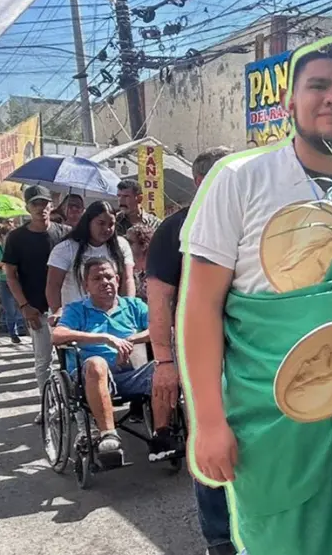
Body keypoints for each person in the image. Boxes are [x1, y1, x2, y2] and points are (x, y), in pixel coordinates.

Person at [179, 38, 332, 555]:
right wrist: (208, 421)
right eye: (317, 86)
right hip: (271, 423)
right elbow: (200, 306)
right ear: (289, 104)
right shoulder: (239, 180)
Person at [147, 145, 234, 555]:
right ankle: (219, 539)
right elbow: (159, 299)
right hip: (199, 354)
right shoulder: (175, 229)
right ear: (201, 181)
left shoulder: (244, 219)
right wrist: (164, 360)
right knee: (207, 437)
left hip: (250, 353)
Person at [51, 256, 179, 464]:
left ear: (118, 280)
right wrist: (105, 338)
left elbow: (161, 326)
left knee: (163, 367)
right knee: (96, 363)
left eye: (109, 277)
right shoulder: (76, 309)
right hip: (91, 379)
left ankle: (161, 434)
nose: (104, 282)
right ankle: (109, 436)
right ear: (86, 285)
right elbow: (58, 335)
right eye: (97, 278)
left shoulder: (134, 305)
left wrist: (130, 340)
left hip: (131, 370)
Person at [3, 185, 71, 424]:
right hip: (36, 310)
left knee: (70, 359)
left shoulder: (65, 233)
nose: (41, 208)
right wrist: (23, 306)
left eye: (44, 203)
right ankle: (48, 406)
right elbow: (11, 275)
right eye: (35, 204)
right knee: (43, 361)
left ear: (51, 206)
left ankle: (73, 404)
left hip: (67, 310)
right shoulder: (16, 238)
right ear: (27, 207)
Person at [47, 200, 135, 323]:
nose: (107, 228)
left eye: (111, 224)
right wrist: (57, 312)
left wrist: (129, 308)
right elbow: (53, 285)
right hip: (74, 319)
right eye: (101, 223)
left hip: (111, 318)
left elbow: (128, 279)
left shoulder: (121, 245)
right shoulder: (66, 248)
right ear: (88, 222)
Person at [0, 224, 24, 344]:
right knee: (9, 308)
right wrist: (2, 262)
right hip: (4, 281)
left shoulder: (19, 248)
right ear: (1, 236)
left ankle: (21, 326)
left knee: (21, 305)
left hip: (19, 279)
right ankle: (13, 332)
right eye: (7, 235)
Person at [126, 224, 154, 302]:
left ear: (144, 246)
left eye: (130, 242)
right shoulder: (130, 271)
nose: (125, 245)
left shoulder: (158, 273)